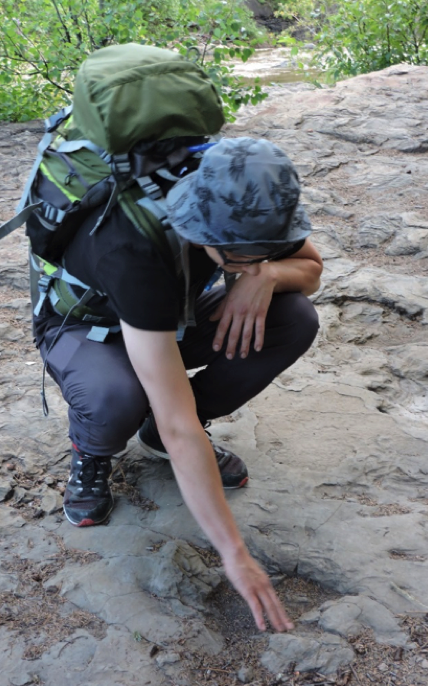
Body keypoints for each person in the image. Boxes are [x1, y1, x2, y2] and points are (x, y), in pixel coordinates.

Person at [32, 135, 323, 632]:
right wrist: (234, 553)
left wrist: (268, 274)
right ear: (204, 228)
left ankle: (151, 436)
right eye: (246, 255)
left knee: (293, 317)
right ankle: (93, 451)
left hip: (169, 319)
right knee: (117, 396)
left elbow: (311, 268)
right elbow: (177, 423)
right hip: (90, 327)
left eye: (267, 248)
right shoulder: (136, 249)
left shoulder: (244, 195)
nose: (256, 258)